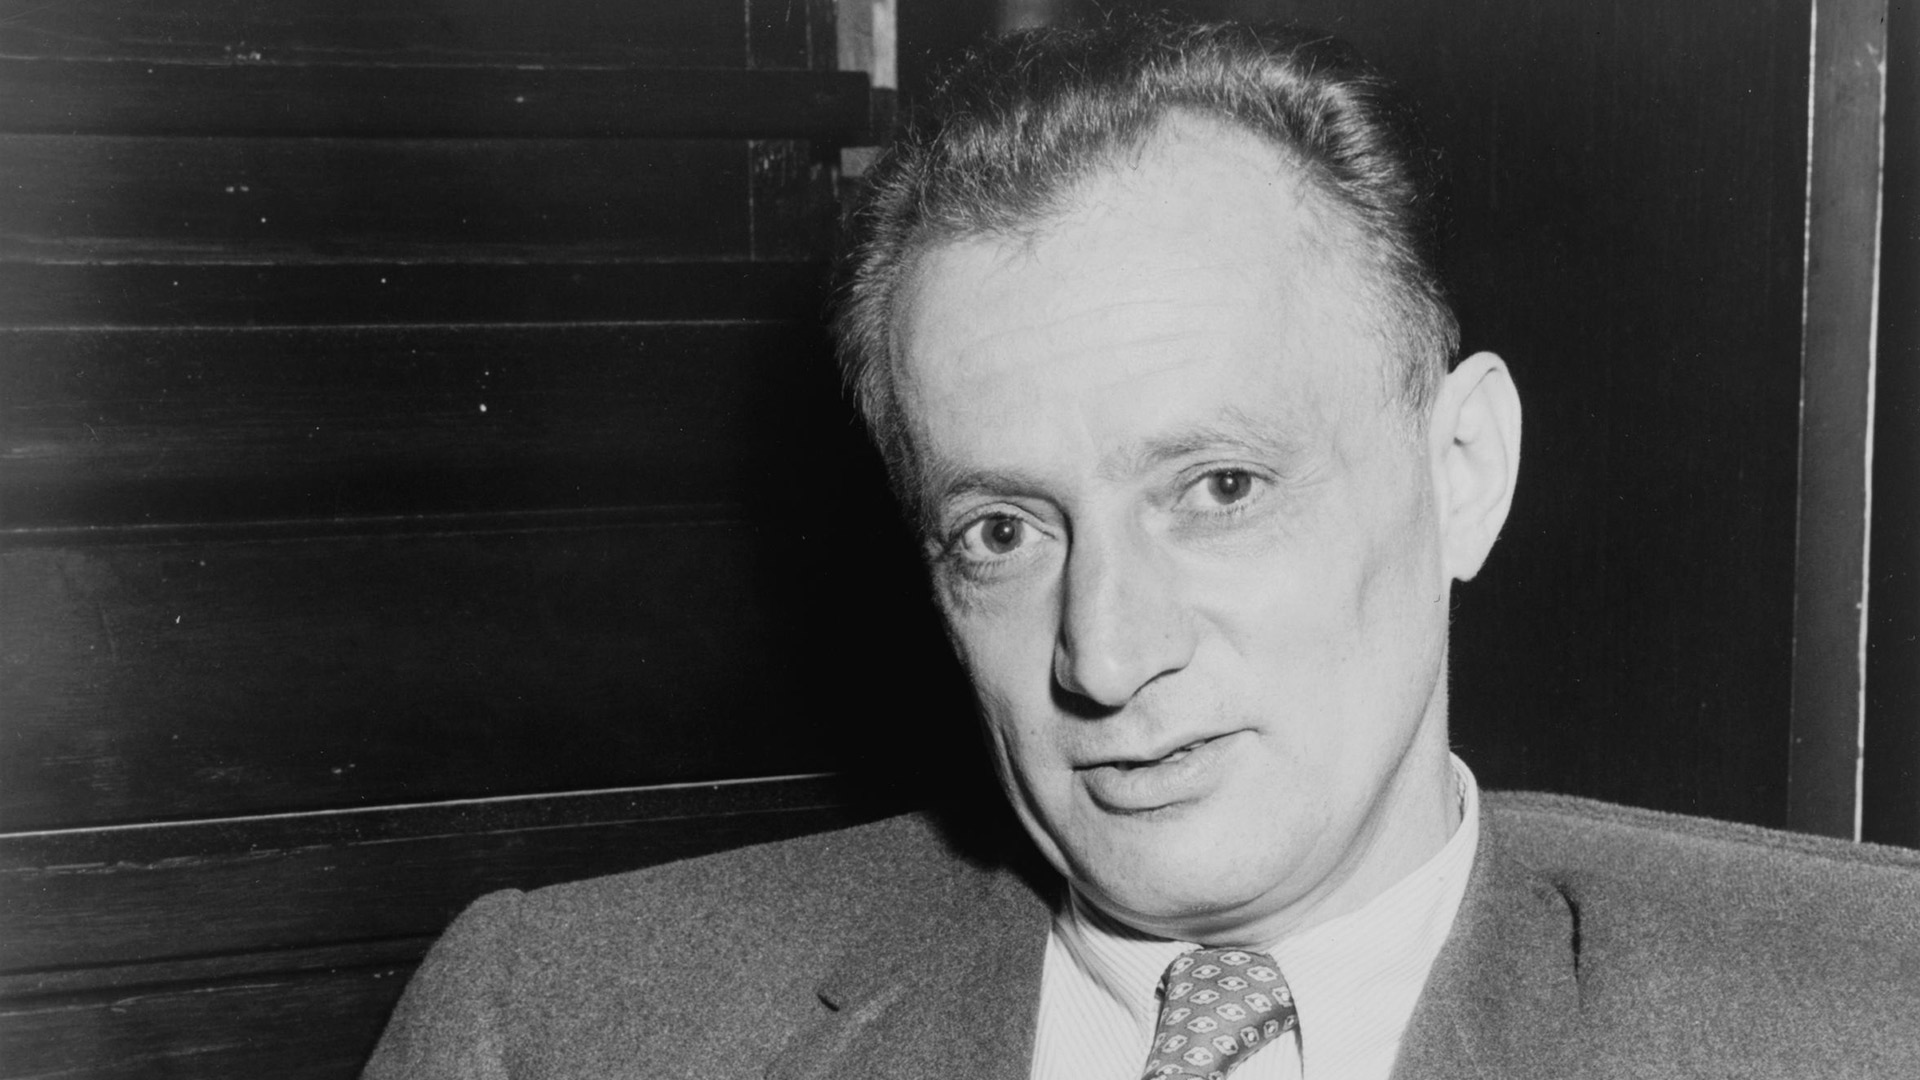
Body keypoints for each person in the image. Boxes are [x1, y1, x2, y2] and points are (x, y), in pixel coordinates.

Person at [363, 17, 1920, 1080]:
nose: (1106, 654)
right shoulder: (561, 1031)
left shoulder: (1865, 1016)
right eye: (1000, 529)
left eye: (1221, 488)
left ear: (1462, 472)